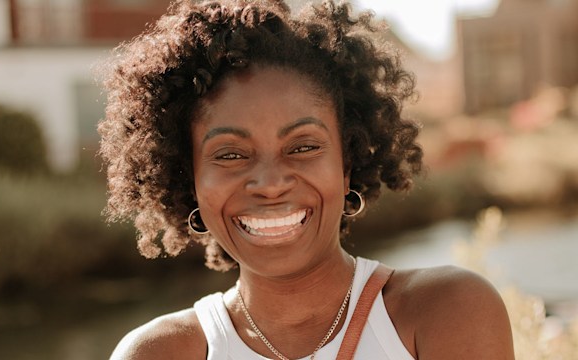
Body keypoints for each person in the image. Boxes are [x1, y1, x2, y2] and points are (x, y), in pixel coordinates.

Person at [98, 0, 514, 358]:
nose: (270, 182)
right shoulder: (158, 353)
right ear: (190, 182)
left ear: (347, 162)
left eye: (302, 147)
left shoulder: (447, 311)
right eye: (229, 155)